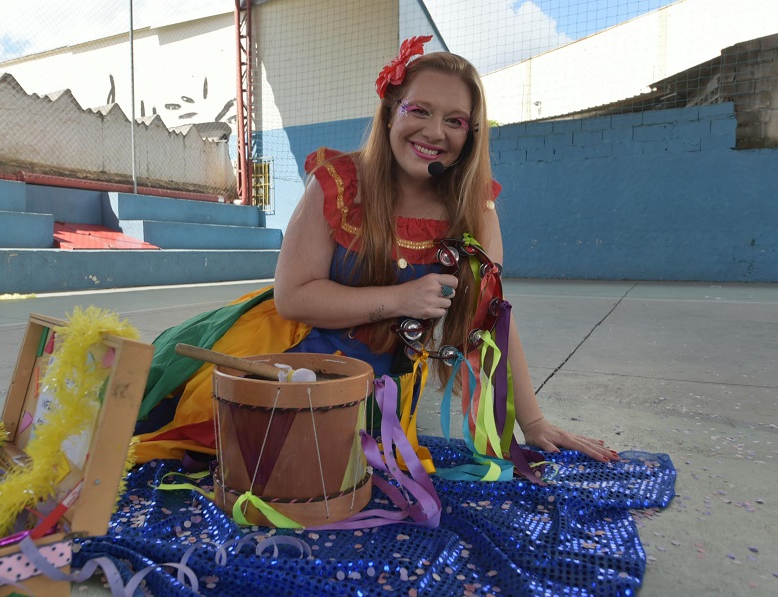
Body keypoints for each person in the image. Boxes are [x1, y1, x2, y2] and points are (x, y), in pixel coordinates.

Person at [133, 35, 618, 471]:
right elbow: (293, 297)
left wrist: (532, 422)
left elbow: (490, 323)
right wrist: (402, 299)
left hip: (381, 394)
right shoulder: (338, 184)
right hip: (288, 349)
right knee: (195, 436)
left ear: (470, 135)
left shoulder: (477, 211)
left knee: (342, 470)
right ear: (391, 111)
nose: (434, 132)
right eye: (419, 111)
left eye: (454, 121)